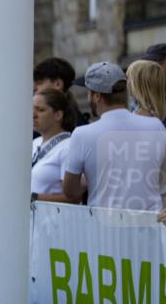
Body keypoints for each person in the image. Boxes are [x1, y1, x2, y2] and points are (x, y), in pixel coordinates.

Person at [63, 62, 166, 211]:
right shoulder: (156, 126)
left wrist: (93, 177)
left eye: (89, 93)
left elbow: (70, 192)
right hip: (148, 227)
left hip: (104, 229)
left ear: (96, 96)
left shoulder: (82, 134)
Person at [31, 89, 79, 203]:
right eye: (32, 109)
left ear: (58, 115)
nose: (33, 115)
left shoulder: (68, 147)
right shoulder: (35, 142)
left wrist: (34, 198)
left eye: (40, 110)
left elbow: (74, 198)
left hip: (52, 219)